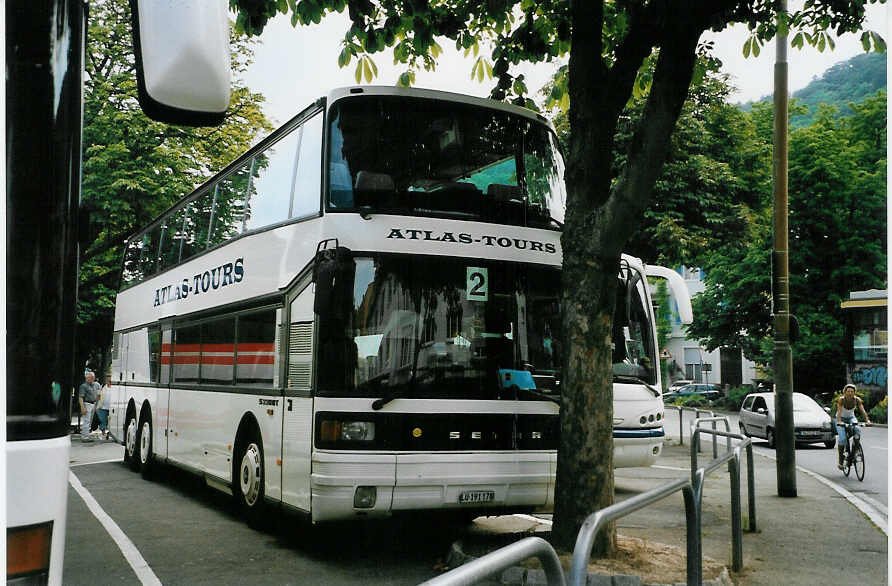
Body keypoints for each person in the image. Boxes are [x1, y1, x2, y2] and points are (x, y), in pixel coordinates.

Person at [835, 383, 871, 470]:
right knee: (843, 439)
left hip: (851, 418)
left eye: (852, 391)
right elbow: (839, 412)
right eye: (848, 391)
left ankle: (855, 451)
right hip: (841, 419)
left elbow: (862, 410)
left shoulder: (857, 400)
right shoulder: (841, 400)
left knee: (857, 430)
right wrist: (839, 421)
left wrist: (867, 420)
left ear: (854, 393)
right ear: (845, 392)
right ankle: (840, 460)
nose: (850, 393)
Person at [78, 371, 101, 442]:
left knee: (90, 421)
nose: (89, 379)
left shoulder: (97, 385)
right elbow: (80, 397)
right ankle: (84, 437)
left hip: (94, 404)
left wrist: (98, 404)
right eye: (88, 378)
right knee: (86, 421)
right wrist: (82, 407)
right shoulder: (83, 386)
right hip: (87, 404)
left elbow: (99, 394)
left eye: (91, 378)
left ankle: (87, 436)